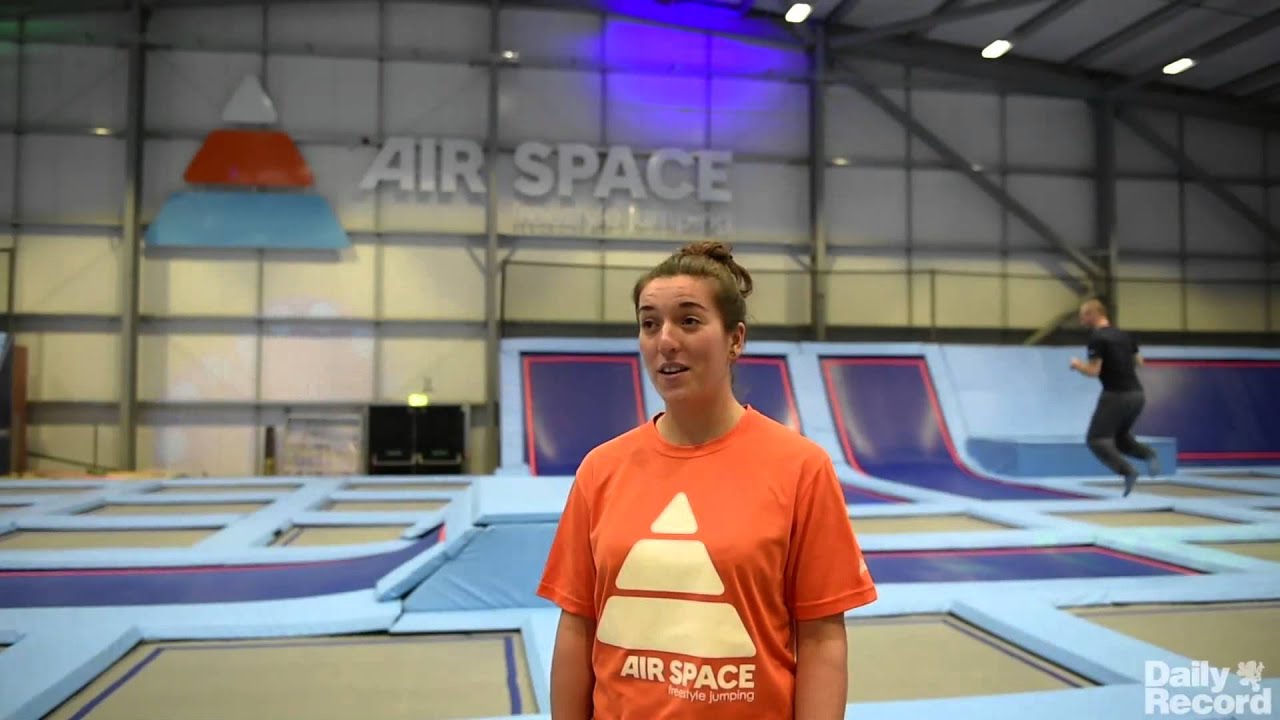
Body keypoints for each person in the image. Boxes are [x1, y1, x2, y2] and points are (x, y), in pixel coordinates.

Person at [537, 240, 878, 720]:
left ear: (735, 339)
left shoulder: (800, 468)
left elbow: (821, 639)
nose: (665, 340)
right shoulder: (602, 469)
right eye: (649, 323)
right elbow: (578, 625)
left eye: (689, 320)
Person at [1070, 298, 1161, 497]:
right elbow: (1139, 362)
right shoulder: (1125, 335)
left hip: (1116, 395)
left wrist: (1077, 365)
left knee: (1097, 439)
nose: (1081, 319)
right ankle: (1148, 454)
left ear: (1093, 314)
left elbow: (1094, 371)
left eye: (1083, 315)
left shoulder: (1097, 338)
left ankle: (1128, 471)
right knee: (1120, 439)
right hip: (1137, 395)